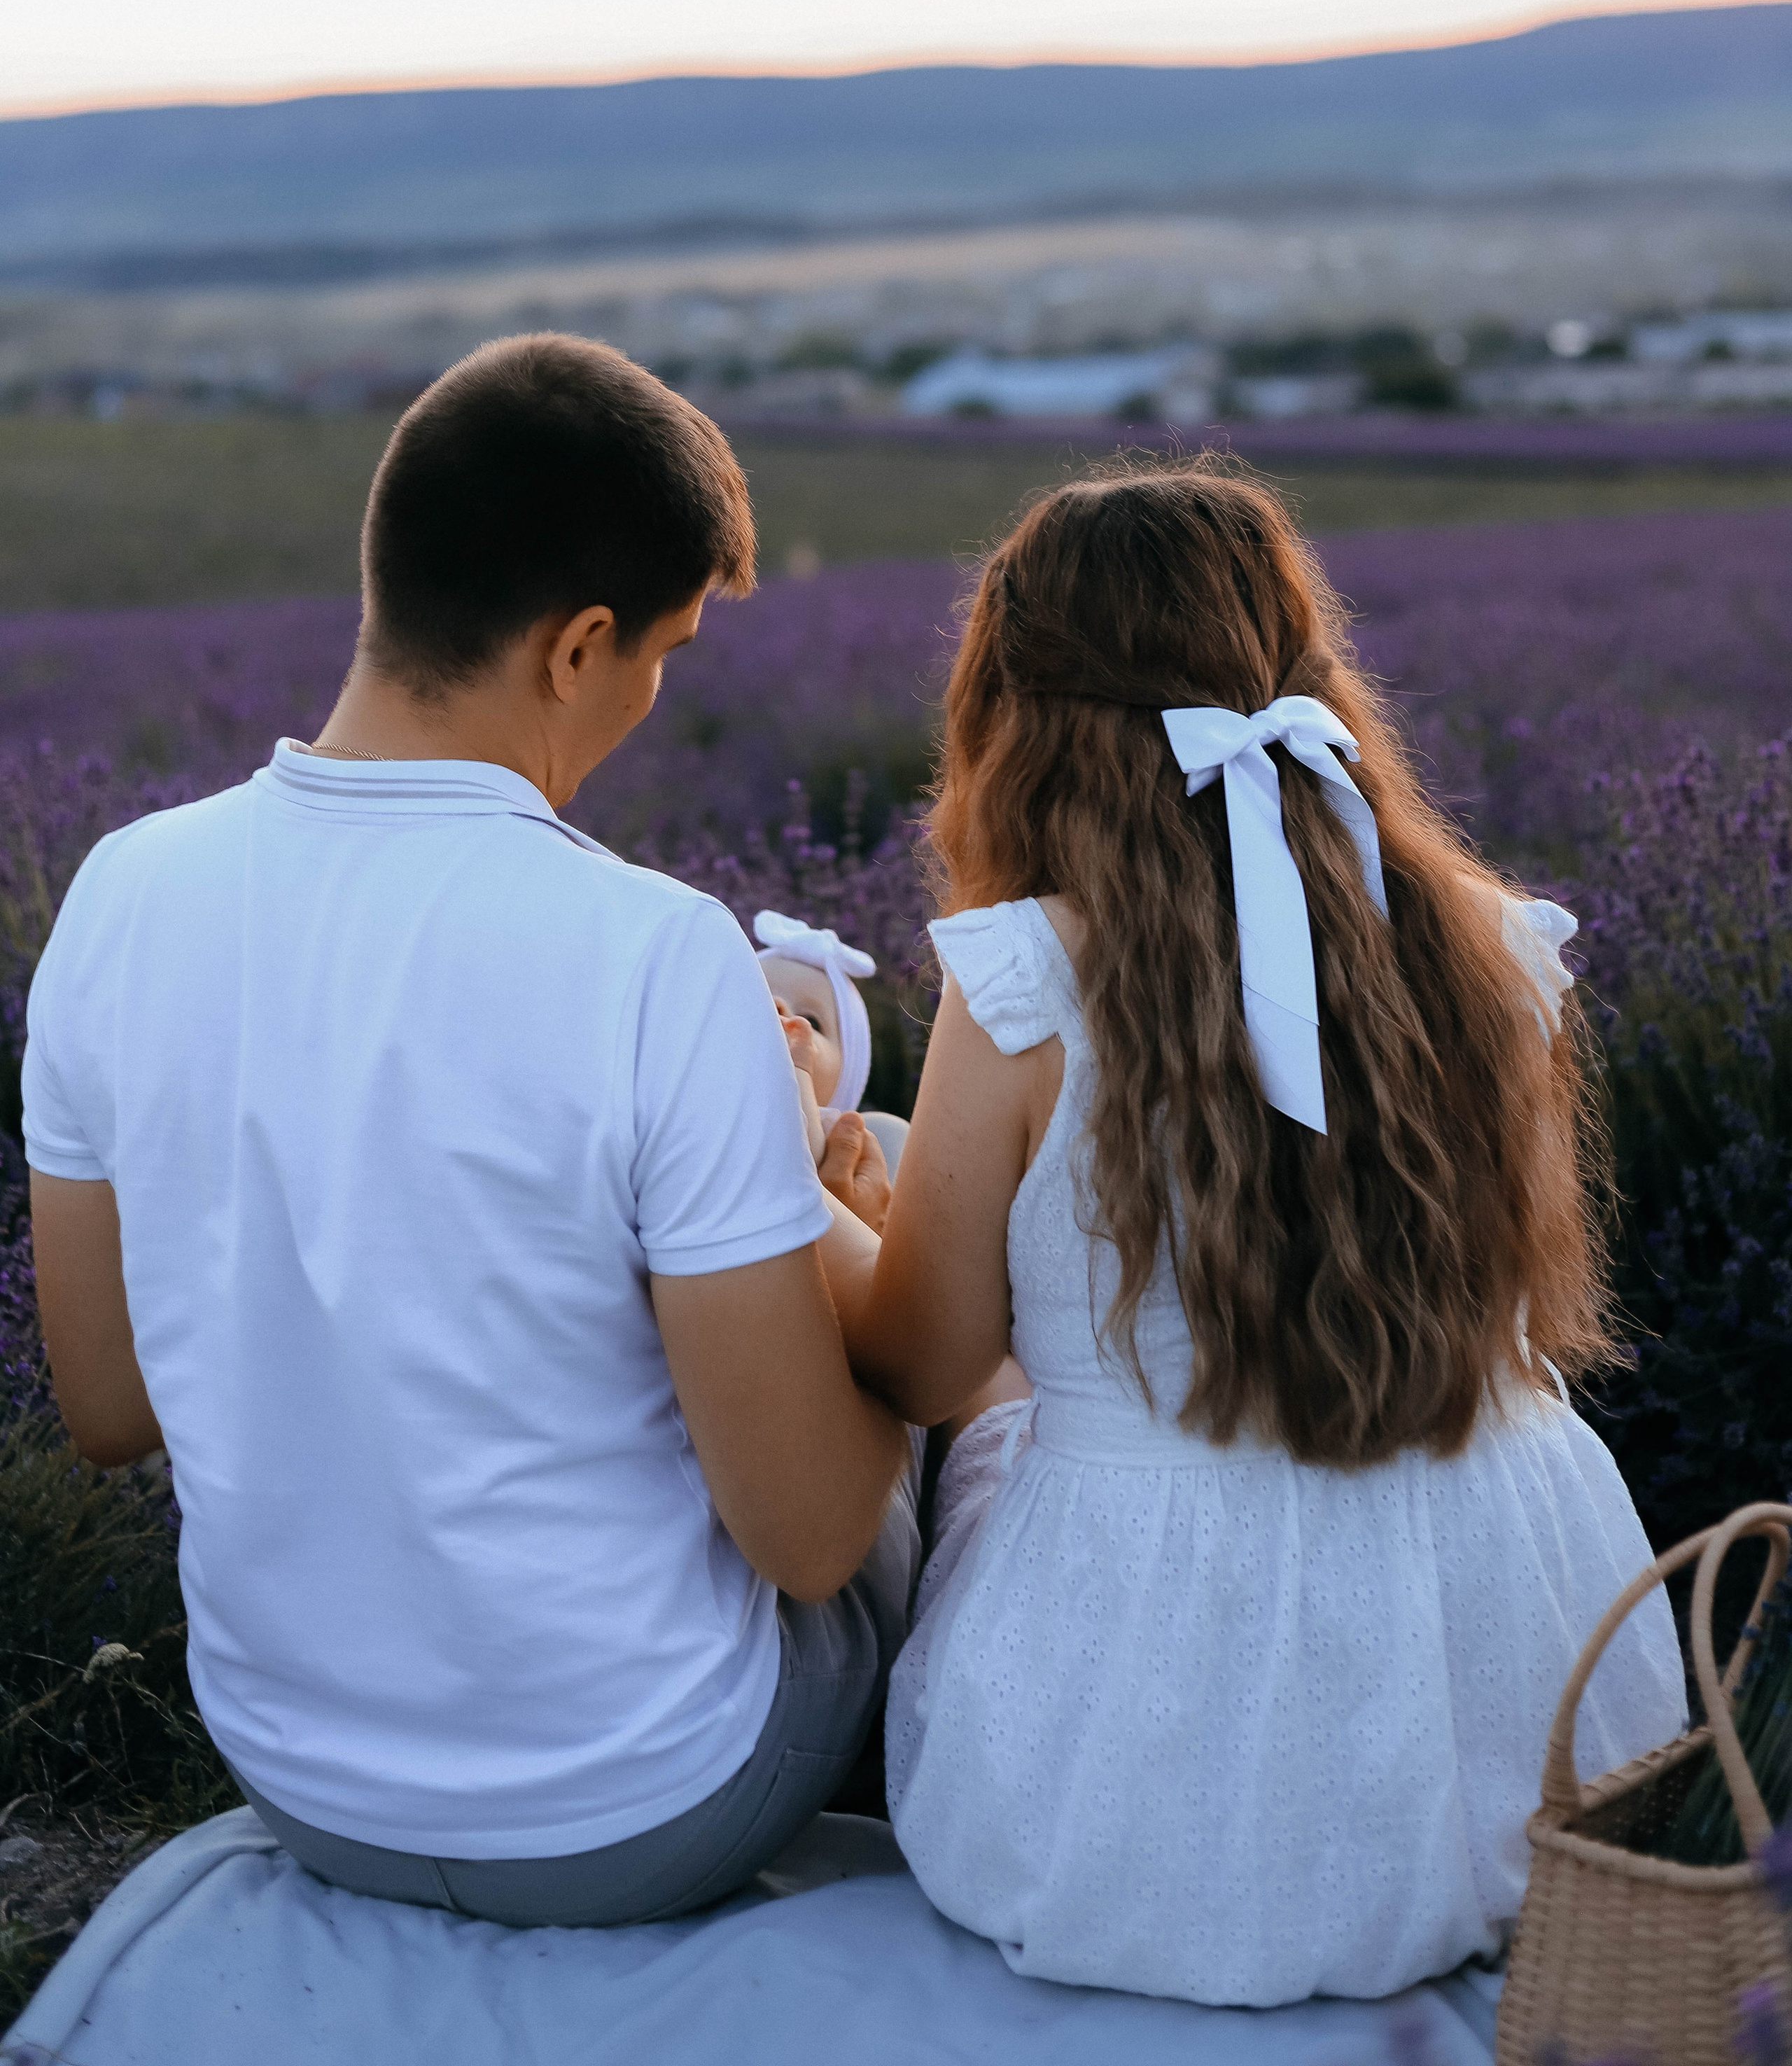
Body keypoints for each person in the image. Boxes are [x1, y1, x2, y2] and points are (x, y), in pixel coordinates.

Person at [24, 333, 913, 1929]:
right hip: (655, 1799)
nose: (656, 694)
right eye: (669, 647)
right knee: (922, 1274)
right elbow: (806, 1531)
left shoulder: (116, 894)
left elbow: (102, 1398)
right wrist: (859, 1287)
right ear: (578, 645)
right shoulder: (656, 953)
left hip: (299, 1781)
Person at [832, 461, 1686, 2008]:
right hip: (1519, 1696)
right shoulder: (1494, 947)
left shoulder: (1025, 982)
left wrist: (841, 1219)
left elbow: (926, 1359)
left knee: (1014, 1404)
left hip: (1131, 1796)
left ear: (1013, 711)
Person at [754, 909, 911, 1180]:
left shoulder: (841, 1138)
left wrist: (798, 1076)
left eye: (813, 1022)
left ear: (846, 1078)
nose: (777, 1008)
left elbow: (803, 1169)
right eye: (756, 997)